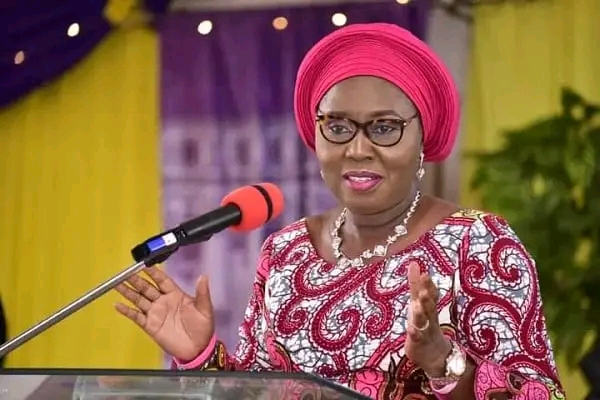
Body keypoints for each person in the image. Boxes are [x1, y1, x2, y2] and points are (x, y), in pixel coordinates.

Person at [114, 23, 565, 399]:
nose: (357, 148)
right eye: (337, 125)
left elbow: (539, 394)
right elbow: (254, 392)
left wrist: (441, 362)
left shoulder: (479, 243)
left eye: (384, 127)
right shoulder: (285, 251)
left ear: (422, 137)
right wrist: (200, 356)